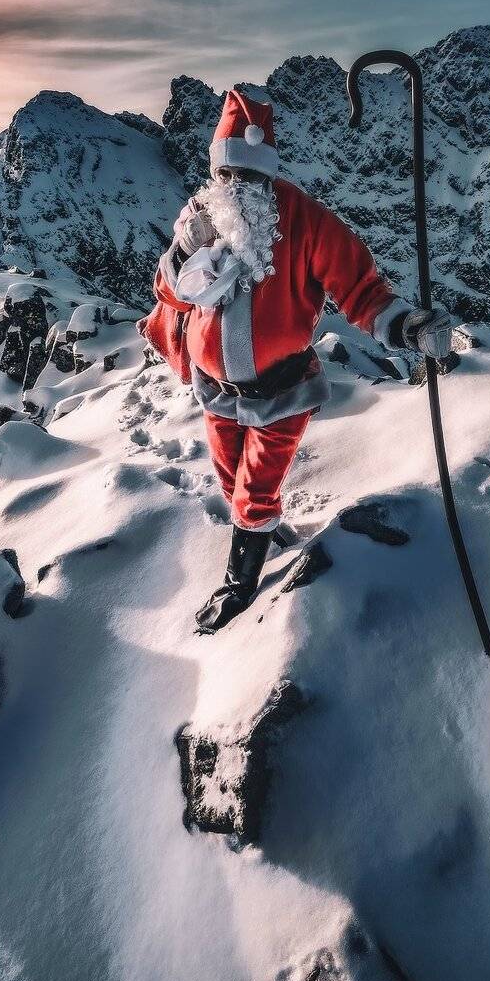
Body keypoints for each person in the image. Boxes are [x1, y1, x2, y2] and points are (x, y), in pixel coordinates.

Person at [153, 88, 452, 633]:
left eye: (249, 179)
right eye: (228, 178)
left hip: (279, 391)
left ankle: (239, 583)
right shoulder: (200, 216)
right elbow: (169, 293)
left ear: (267, 176)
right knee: (230, 480)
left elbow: (361, 289)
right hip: (215, 389)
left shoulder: (309, 222)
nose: (237, 190)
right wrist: (180, 256)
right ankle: (263, 531)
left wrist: (407, 326)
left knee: (255, 487)